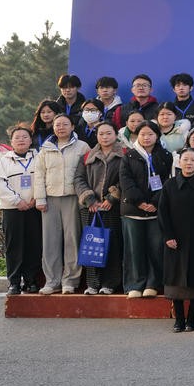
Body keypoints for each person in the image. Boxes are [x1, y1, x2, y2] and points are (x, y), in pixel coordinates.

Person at [158, 149, 194, 332]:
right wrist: (168, 236)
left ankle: (192, 318)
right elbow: (162, 213)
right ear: (179, 162)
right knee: (175, 279)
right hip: (175, 240)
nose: (189, 163)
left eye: (193, 160)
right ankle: (179, 319)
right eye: (185, 159)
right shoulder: (170, 185)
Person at [33, 114, 91, 295]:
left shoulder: (82, 147)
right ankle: (52, 281)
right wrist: (40, 198)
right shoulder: (45, 148)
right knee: (50, 241)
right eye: (57, 125)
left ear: (72, 126)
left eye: (65, 124)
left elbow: (88, 174)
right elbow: (39, 175)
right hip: (50, 199)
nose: (61, 128)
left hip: (73, 198)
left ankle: (70, 281)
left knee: (72, 239)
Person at [119, 120, 172, 298]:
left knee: (155, 248)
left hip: (156, 211)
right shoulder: (128, 156)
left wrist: (155, 203)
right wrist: (140, 202)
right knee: (134, 249)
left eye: (150, 134)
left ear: (157, 136)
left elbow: (167, 182)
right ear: (137, 136)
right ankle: (135, 284)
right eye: (143, 134)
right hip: (132, 210)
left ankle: (153, 283)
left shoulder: (165, 156)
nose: (146, 138)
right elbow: (125, 181)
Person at [73, 121, 124, 295]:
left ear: (115, 134)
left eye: (108, 133)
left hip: (112, 208)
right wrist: (90, 200)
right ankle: (93, 284)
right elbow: (78, 179)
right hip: (91, 208)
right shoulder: (87, 156)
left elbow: (126, 178)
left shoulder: (124, 154)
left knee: (112, 245)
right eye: (101, 134)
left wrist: (112, 197)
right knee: (92, 245)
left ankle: (110, 283)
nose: (105, 137)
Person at [0, 125, 42, 294]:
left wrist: (37, 197)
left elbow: (44, 178)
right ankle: (14, 282)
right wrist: (17, 201)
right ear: (11, 141)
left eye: (24, 137)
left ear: (31, 140)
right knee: (13, 246)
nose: (21, 140)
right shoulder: (4, 160)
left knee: (34, 245)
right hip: (13, 209)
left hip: (35, 207)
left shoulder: (38, 157)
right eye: (17, 137)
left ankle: (31, 280)